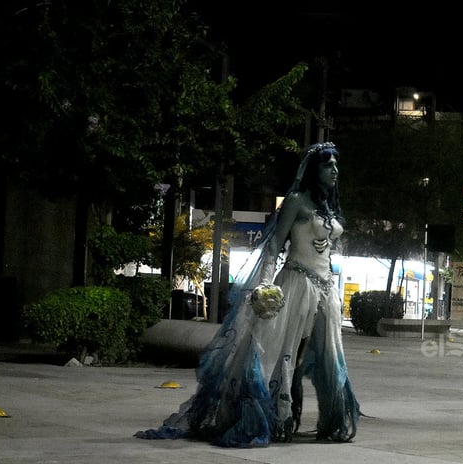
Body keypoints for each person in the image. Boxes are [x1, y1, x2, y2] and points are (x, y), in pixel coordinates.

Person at [135, 142, 359, 447]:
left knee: (328, 357)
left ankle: (325, 420)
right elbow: (274, 245)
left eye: (336, 164)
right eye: (327, 164)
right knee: (283, 356)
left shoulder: (329, 207)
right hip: (296, 285)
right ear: (313, 170)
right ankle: (279, 420)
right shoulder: (295, 201)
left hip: (326, 289)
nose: (334, 170)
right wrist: (265, 286)